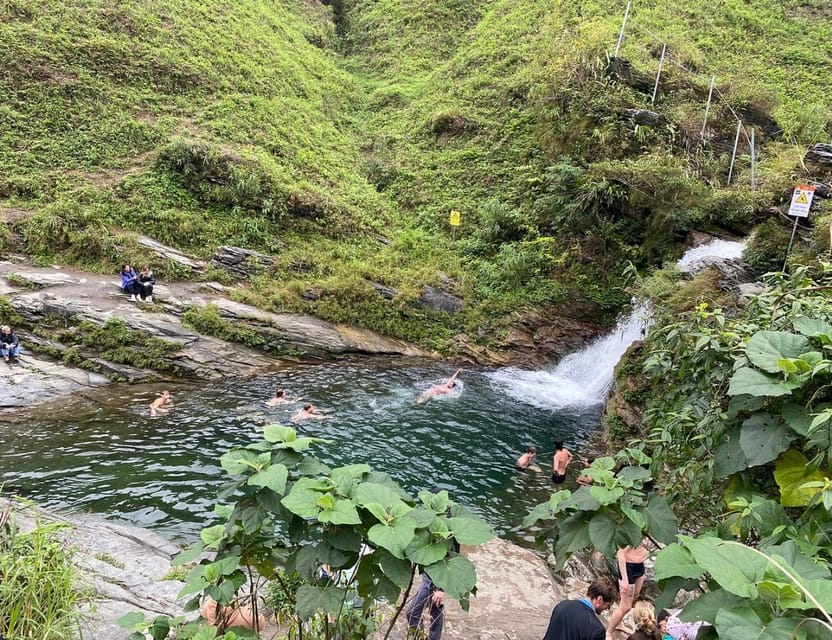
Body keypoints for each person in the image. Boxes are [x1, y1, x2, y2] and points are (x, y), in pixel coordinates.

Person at [542, 576, 619, 640]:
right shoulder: (596, 629)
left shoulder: (562, 606)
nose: (607, 608)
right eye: (608, 605)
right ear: (599, 599)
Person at [606, 538, 651, 639]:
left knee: (635, 596)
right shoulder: (634, 531)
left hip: (640, 565)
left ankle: (619, 624)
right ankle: (609, 632)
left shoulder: (649, 530)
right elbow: (620, 553)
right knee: (626, 606)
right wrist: (624, 580)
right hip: (628, 567)